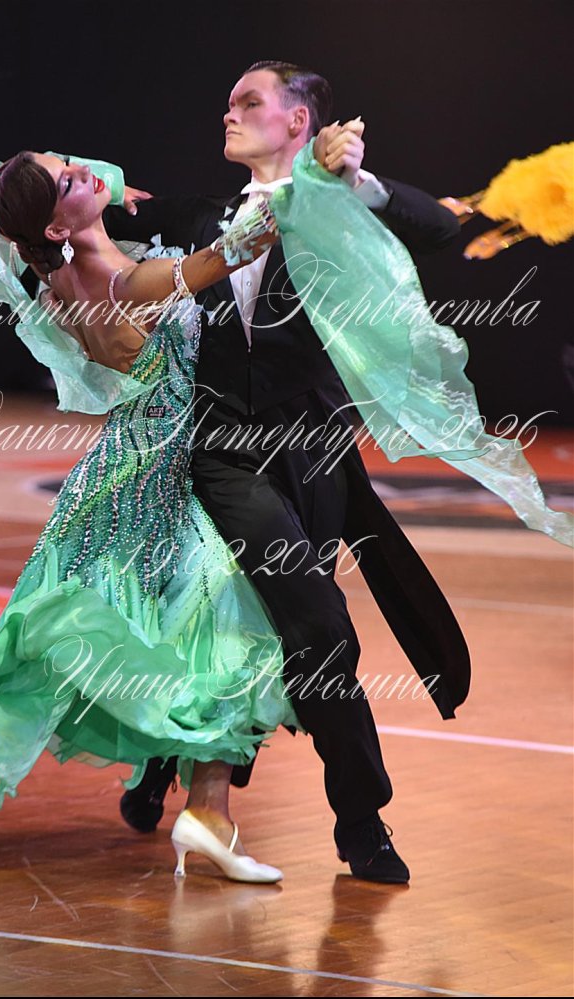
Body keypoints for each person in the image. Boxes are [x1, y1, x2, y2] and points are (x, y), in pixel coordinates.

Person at [53, 60, 571, 885]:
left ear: (298, 121)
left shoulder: (339, 205)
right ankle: (361, 822)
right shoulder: (202, 216)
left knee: (258, 627)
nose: (229, 112)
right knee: (317, 626)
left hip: (312, 456)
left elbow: (437, 225)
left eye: (249, 101)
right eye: (228, 101)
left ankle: (163, 775)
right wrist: (93, 188)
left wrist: (356, 179)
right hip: (219, 453)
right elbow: (71, 207)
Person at [0, 147, 308, 885]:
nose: (85, 170)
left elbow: (6, 203)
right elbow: (233, 251)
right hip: (134, 488)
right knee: (61, 647)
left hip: (141, 473)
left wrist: (104, 188)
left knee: (210, 620)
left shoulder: (54, 268)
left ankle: (208, 815)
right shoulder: (122, 280)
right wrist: (305, 182)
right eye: (69, 179)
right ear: (55, 225)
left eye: (71, 162)